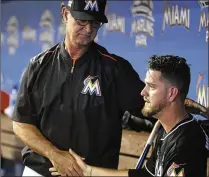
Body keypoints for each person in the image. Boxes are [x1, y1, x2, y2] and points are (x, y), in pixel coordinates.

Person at [11, 0, 208, 176]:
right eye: (82, 21)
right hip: (41, 171)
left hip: (93, 172)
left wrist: (180, 103)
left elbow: (149, 103)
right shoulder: (38, 65)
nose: (88, 29)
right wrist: (55, 155)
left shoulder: (114, 69)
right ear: (65, 14)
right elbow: (21, 124)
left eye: (95, 23)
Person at [50, 55, 208, 177]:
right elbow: (146, 174)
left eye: (151, 87)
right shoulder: (166, 131)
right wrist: (87, 171)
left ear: (172, 93)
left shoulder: (187, 143)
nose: (142, 92)